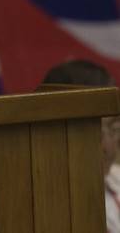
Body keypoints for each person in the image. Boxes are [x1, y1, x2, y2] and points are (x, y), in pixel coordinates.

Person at [43, 59, 120, 232]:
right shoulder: (40, 206)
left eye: (115, 128)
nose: (110, 146)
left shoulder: (116, 178)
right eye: (108, 128)